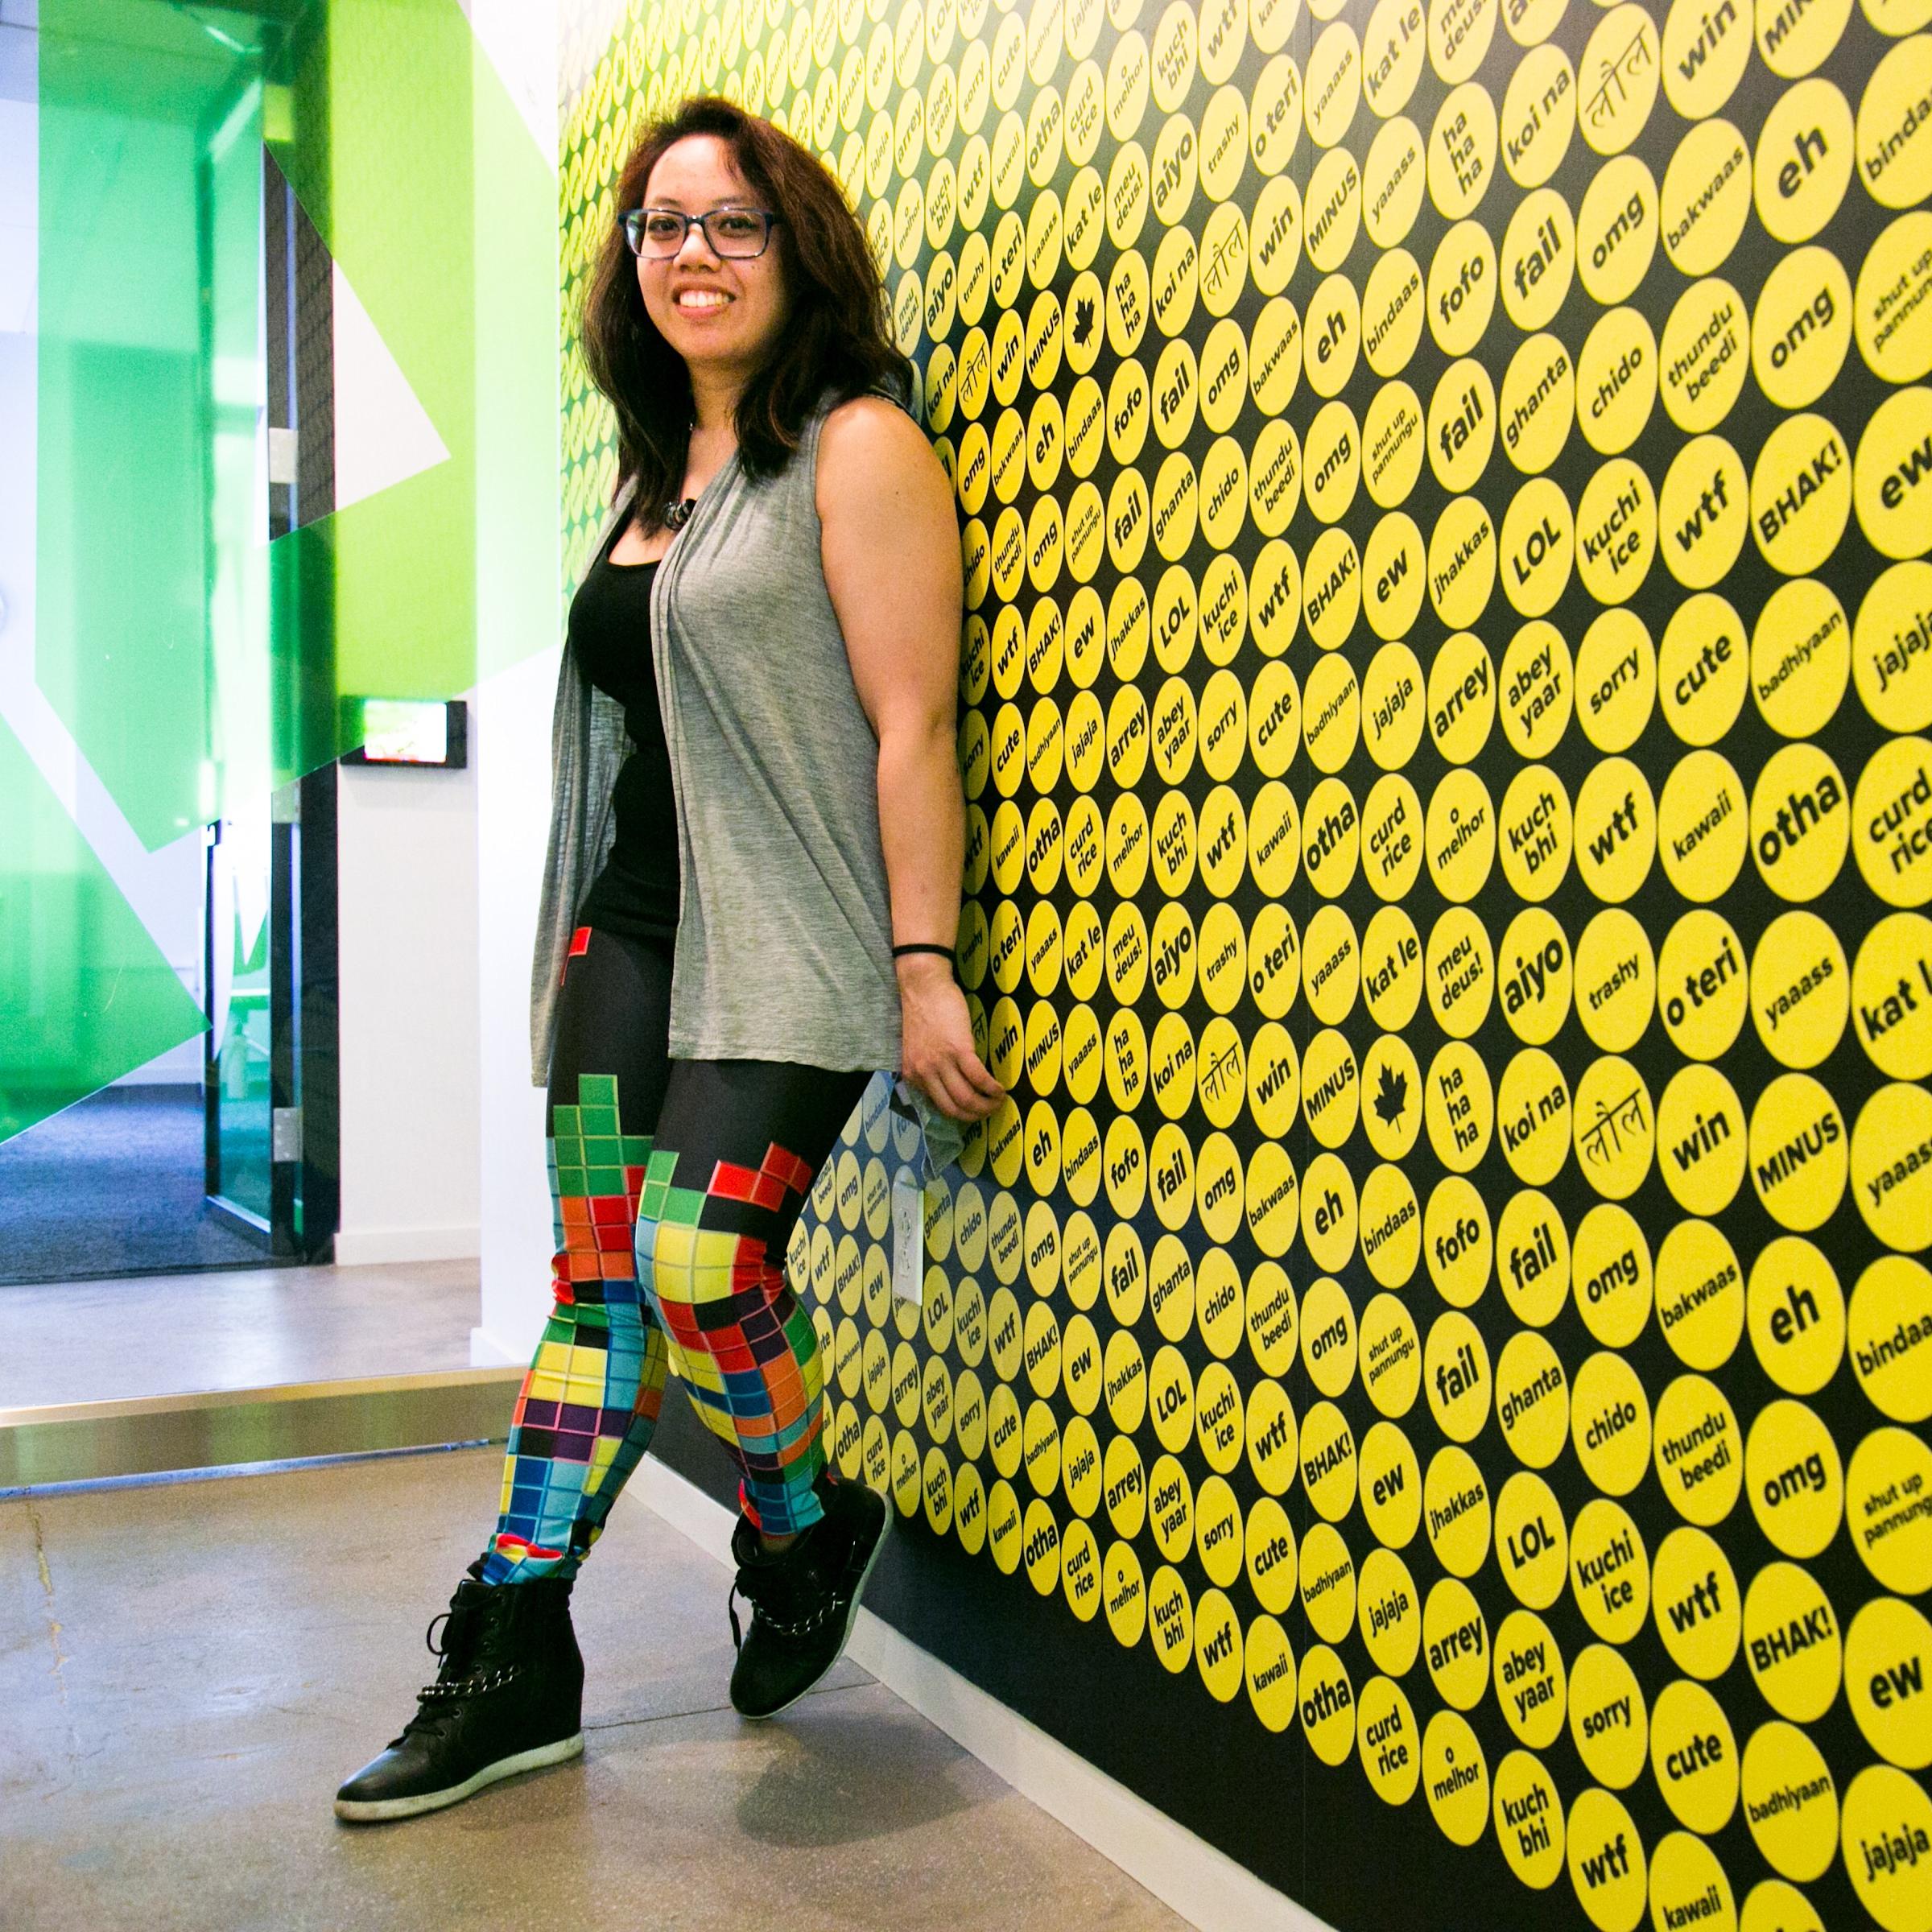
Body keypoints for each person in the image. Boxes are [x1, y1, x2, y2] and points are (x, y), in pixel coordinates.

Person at [335, 94, 1004, 1823]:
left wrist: (925, 963)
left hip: (789, 937)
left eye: (730, 224)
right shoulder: (654, 472)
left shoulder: (854, 446)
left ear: (798, 250)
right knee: (597, 1294)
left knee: (703, 1264)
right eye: (660, 225)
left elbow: (910, 721)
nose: (689, 255)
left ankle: (798, 1525)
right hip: (623, 941)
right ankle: (512, 1647)